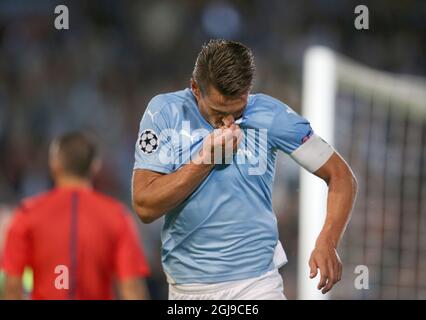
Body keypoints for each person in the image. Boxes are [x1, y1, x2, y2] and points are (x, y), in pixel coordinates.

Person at [132, 39, 358, 299]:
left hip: (256, 285)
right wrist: (206, 160)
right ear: (195, 88)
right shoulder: (165, 112)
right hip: (187, 290)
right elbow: (145, 207)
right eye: (218, 112)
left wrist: (328, 241)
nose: (228, 122)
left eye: (237, 113)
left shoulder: (272, 115)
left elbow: (341, 176)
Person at [2, 132, 150, 300]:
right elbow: (132, 289)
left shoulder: (27, 214)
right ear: (95, 167)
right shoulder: (117, 216)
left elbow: (12, 286)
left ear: (55, 164)